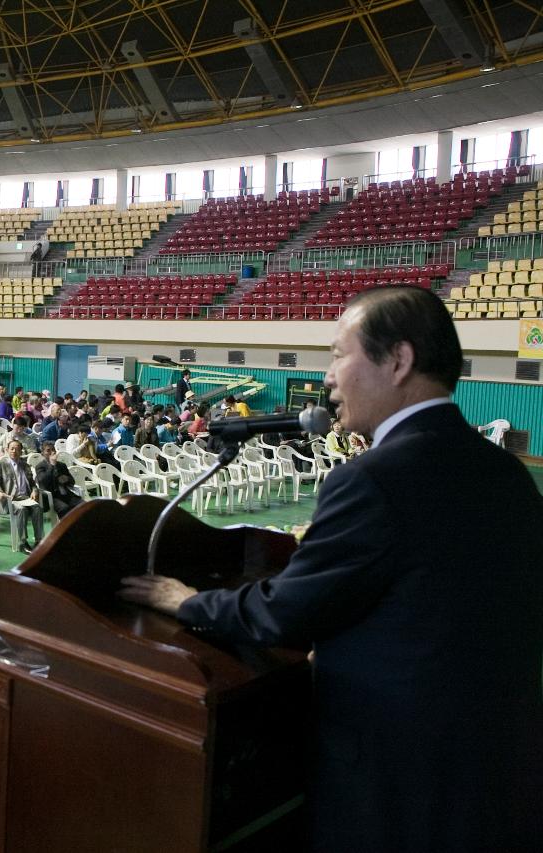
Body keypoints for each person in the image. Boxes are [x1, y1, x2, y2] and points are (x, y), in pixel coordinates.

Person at [120, 286, 543, 853]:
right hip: (498, 772)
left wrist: (185, 600)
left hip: (394, 787)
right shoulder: (506, 473)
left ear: (399, 360)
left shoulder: (374, 478)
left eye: (338, 354)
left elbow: (283, 614)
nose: (327, 378)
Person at [0, 439, 44, 554]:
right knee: (22, 510)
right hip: (9, 499)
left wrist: (34, 490)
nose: (14, 451)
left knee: (38, 508)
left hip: (25, 498)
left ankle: (39, 541)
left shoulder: (25, 465)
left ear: (21, 451)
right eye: (12, 449)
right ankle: (22, 543)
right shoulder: (0, 463)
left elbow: (32, 483)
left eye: (17, 449)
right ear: (7, 450)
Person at [33, 442, 82, 518]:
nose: (52, 452)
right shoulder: (40, 466)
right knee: (64, 508)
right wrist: (52, 465)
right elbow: (43, 481)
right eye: (48, 450)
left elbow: (72, 481)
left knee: (84, 504)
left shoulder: (61, 465)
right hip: (52, 497)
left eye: (53, 450)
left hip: (66, 494)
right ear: (42, 454)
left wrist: (66, 479)